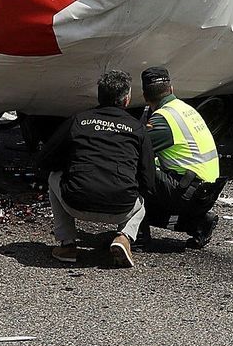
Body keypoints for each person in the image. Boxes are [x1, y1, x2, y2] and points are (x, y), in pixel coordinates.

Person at [36, 70, 154, 267]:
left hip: (76, 202)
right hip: (121, 207)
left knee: (53, 177)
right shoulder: (137, 128)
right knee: (141, 200)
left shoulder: (78, 120)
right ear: (126, 100)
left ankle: (67, 245)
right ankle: (124, 236)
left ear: (99, 96)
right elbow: (149, 179)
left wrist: (70, 167)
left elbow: (45, 159)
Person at [140, 66, 222, 248]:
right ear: (171, 89)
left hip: (189, 192)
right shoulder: (184, 109)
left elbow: (132, 151)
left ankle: (138, 236)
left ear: (145, 96)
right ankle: (197, 223)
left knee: (134, 171)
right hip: (206, 190)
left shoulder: (162, 120)